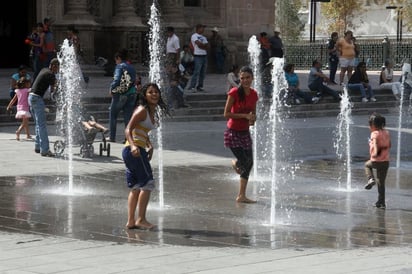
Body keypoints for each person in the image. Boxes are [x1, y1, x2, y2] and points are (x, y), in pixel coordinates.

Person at [122, 83, 169, 229]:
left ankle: (130, 221)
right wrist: (134, 145)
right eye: (150, 92)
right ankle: (141, 219)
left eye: (156, 92)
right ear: (145, 95)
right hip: (133, 149)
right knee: (147, 183)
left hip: (133, 149)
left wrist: (149, 144)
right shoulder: (142, 110)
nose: (154, 94)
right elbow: (128, 129)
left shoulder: (151, 111)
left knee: (136, 186)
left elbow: (140, 130)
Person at [223, 66, 258, 203]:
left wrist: (252, 119)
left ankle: (241, 195)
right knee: (244, 162)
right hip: (233, 132)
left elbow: (253, 113)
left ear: (252, 78)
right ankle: (236, 162)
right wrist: (244, 115)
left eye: (247, 78)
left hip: (245, 132)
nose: (245, 81)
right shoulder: (234, 93)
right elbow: (226, 114)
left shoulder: (254, 94)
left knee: (249, 162)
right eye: (242, 78)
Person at [29, 58, 59, 157]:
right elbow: (54, 90)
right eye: (58, 68)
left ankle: (38, 147)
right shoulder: (51, 74)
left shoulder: (44, 69)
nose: (58, 71)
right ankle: (45, 150)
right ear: (54, 66)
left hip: (31, 97)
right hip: (37, 99)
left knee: (38, 124)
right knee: (42, 125)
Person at [108, 49, 137, 143]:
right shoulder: (132, 67)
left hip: (120, 94)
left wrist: (111, 88)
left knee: (113, 116)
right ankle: (128, 138)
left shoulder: (119, 67)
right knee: (128, 117)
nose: (116, 62)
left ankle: (112, 137)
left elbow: (116, 80)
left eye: (116, 60)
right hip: (131, 93)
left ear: (118, 58)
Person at [364, 113, 391, 209]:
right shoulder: (386, 132)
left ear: (373, 125)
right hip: (386, 161)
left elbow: (375, 143)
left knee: (367, 165)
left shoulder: (374, 133)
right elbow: (389, 144)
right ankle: (381, 202)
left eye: (369, 125)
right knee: (381, 183)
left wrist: (375, 151)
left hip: (376, 160)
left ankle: (370, 179)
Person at [188, 24, 209, 92]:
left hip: (204, 55)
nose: (203, 29)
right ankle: (192, 86)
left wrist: (203, 46)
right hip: (198, 55)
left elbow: (208, 46)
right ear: (198, 28)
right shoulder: (194, 36)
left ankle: (200, 86)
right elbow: (198, 44)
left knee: (203, 72)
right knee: (197, 71)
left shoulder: (204, 37)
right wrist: (204, 46)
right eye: (202, 28)